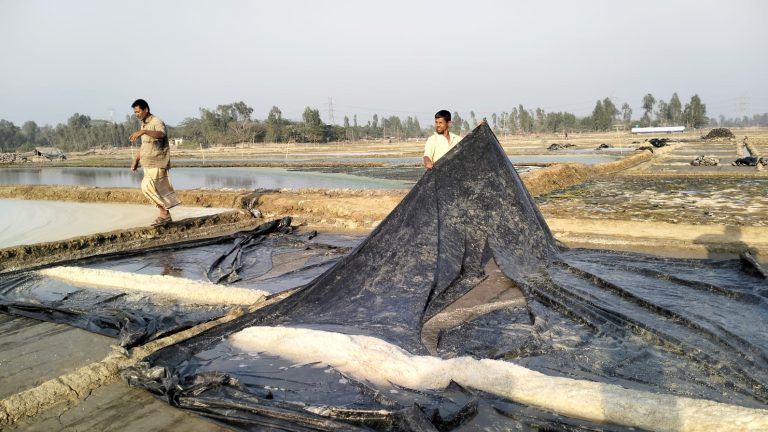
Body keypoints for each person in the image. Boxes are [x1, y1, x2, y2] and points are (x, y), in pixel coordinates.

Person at [129, 99, 180, 226]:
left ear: (146, 109)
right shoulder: (144, 124)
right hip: (147, 163)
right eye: (135, 112)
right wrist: (136, 159)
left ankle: (164, 214)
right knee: (155, 190)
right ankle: (164, 216)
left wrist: (144, 131)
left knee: (146, 187)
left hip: (157, 161)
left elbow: (161, 134)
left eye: (138, 111)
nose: (137, 114)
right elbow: (145, 145)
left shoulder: (156, 122)